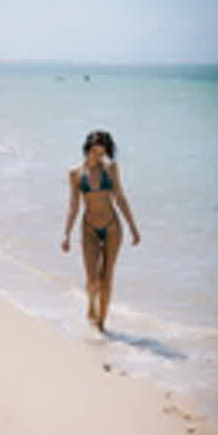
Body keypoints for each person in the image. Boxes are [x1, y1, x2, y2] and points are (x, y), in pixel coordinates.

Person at [61, 130, 141, 333]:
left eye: (102, 153)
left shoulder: (110, 168)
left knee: (107, 277)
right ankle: (91, 303)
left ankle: (101, 325)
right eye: (94, 152)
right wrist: (66, 234)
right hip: (89, 228)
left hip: (112, 227)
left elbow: (120, 197)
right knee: (92, 279)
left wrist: (133, 227)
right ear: (87, 149)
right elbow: (73, 205)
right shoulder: (75, 173)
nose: (98, 157)